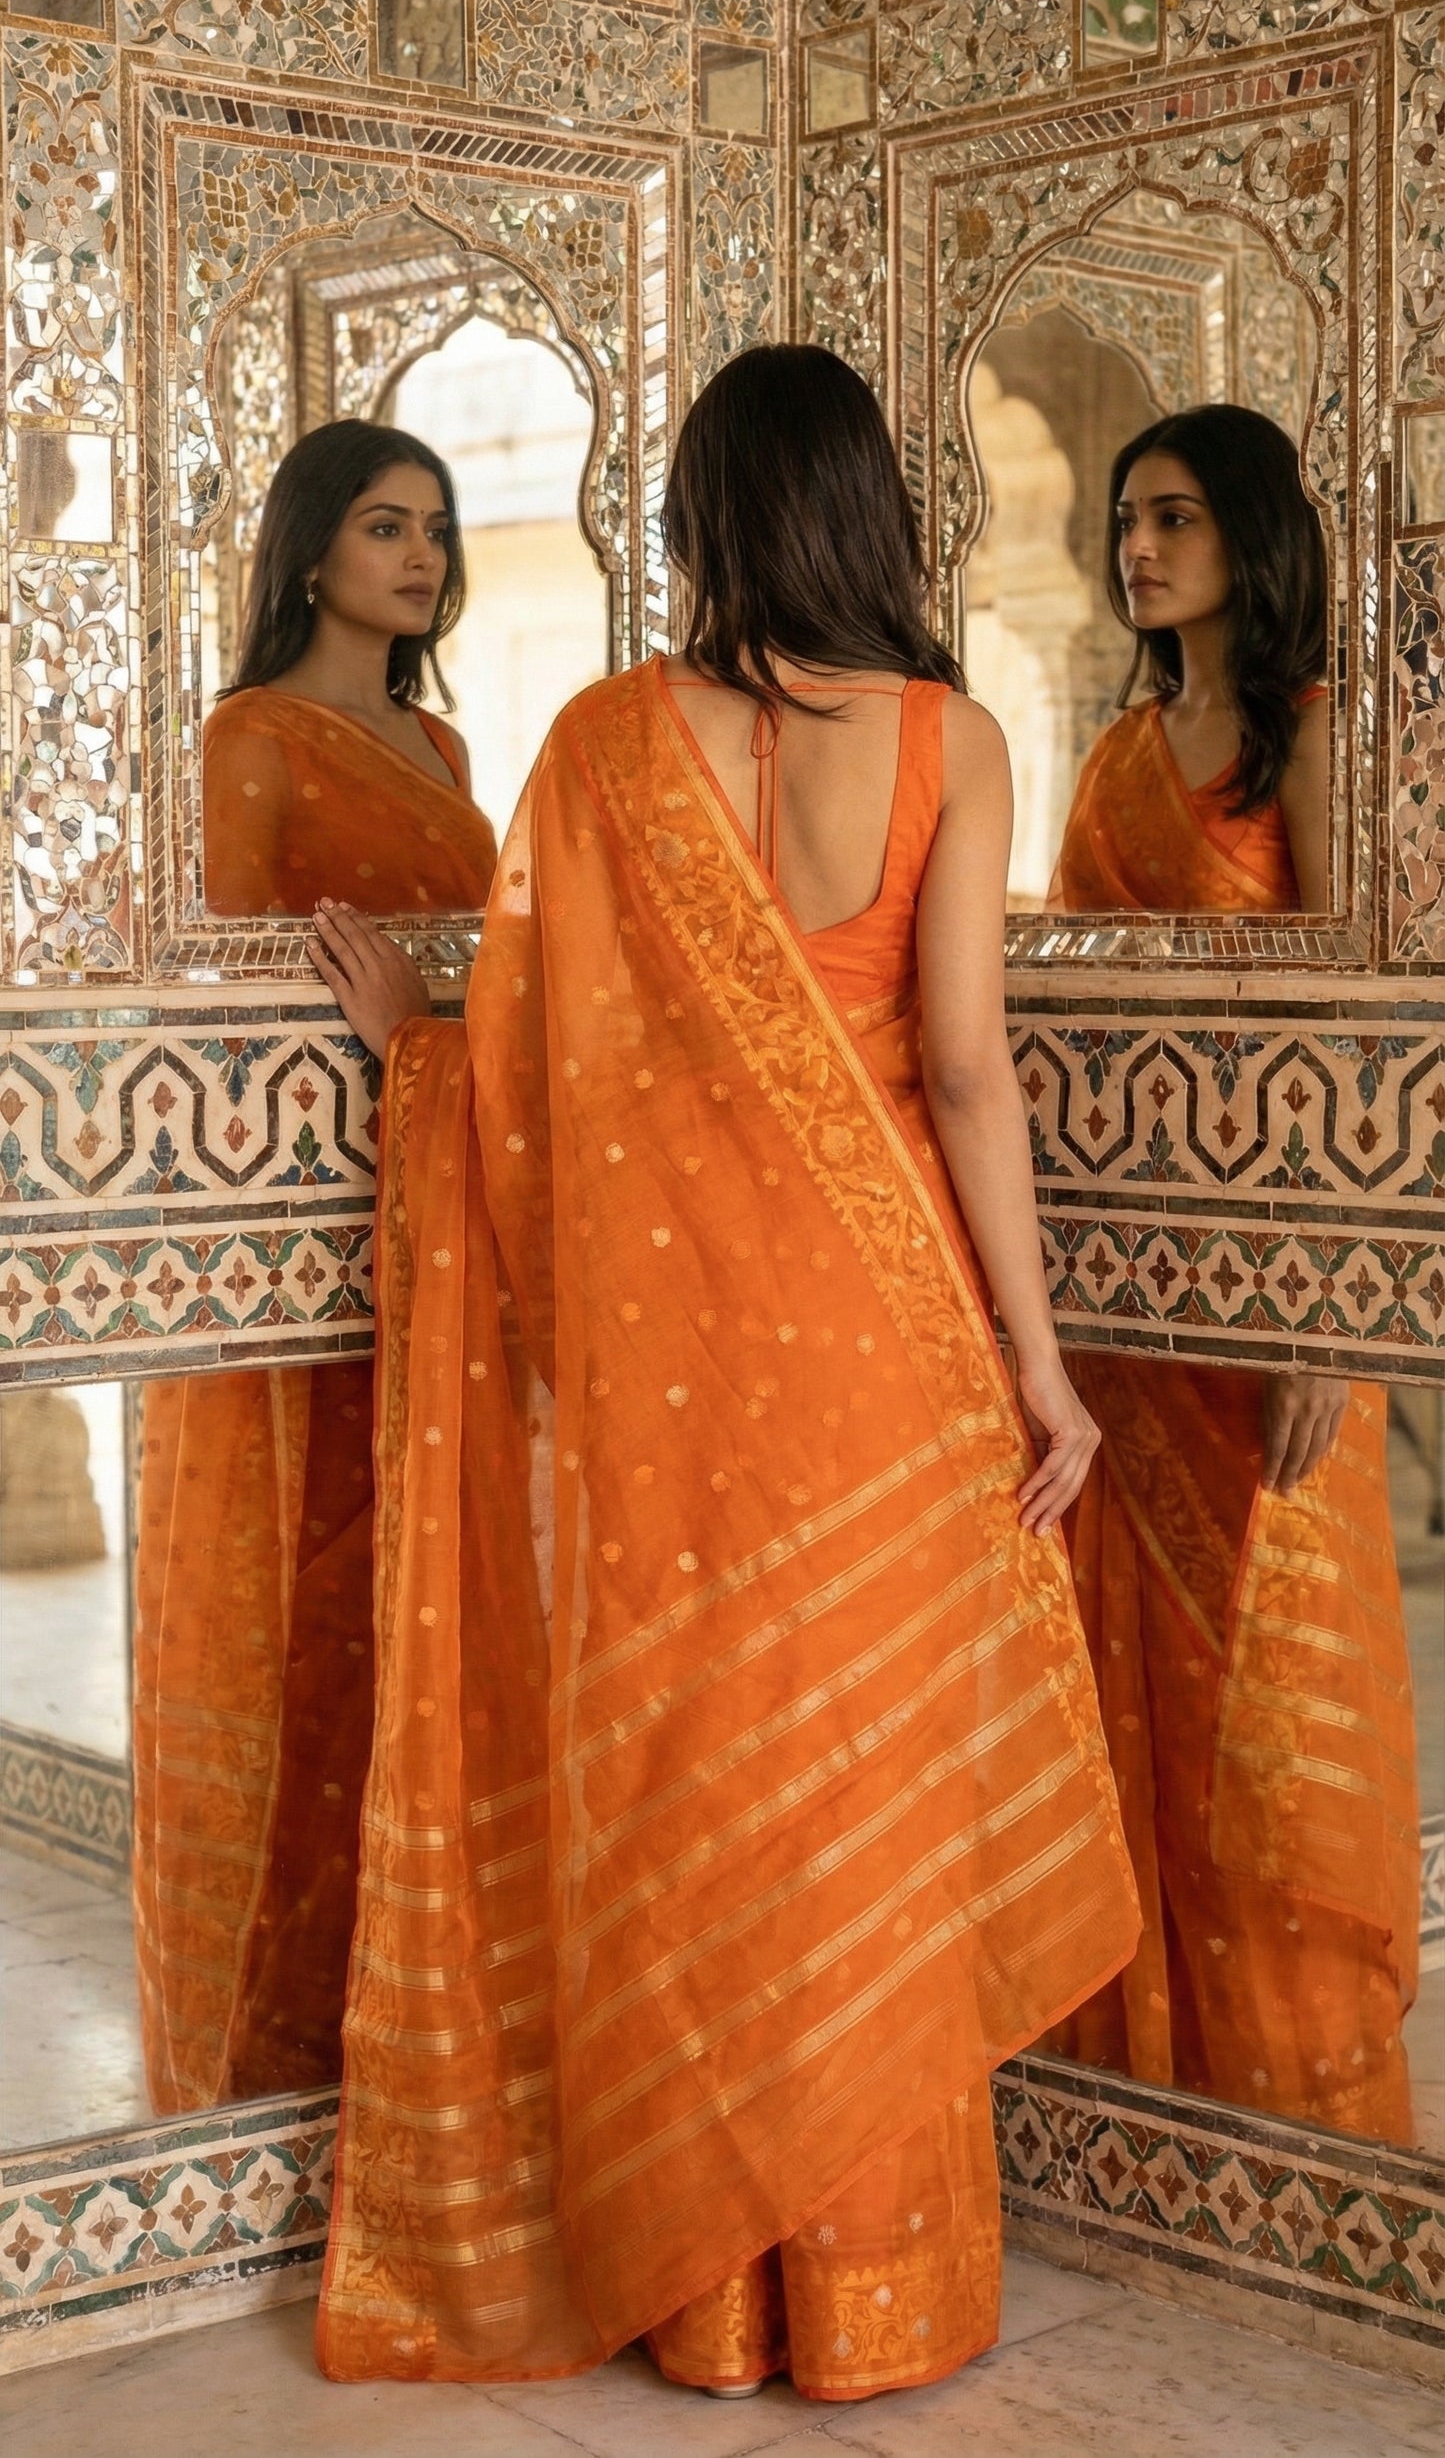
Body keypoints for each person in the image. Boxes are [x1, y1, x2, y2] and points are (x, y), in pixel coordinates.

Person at [308, 345, 1138, 2401]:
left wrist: (419, 1038)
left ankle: (712, 2304)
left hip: (683, 1372)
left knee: (704, 1783)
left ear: (690, 522)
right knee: (869, 1783)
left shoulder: (598, 746)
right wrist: (1040, 1366)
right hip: (895, 1339)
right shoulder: (953, 737)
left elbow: (537, 1077)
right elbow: (962, 1068)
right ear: (873, 511)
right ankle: (869, 2285)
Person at [1045, 404, 1419, 2139]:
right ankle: (1152, 2096)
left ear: (1249, 539)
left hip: (1275, 1299)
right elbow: (1063, 1018)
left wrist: (1328, 1308)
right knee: (1144, 1694)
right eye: (1127, 517)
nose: (1140, 545)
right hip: (1129, 1312)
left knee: (1274, 1710)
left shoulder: (1319, 738)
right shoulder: (1122, 752)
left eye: (1176, 515)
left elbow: (1355, 1028)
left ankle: (1293, 2102)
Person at [132, 421, 497, 2113]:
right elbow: (210, 1005)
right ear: (308, 552)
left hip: (435, 1199)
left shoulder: (436, 736)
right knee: (300, 1607)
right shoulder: (244, 741)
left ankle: (414, 2035)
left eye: (430, 527)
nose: (415, 556)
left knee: (420, 1609)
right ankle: (269, 2046)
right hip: (293, 1230)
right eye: (379, 525)